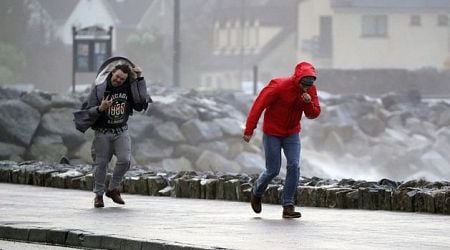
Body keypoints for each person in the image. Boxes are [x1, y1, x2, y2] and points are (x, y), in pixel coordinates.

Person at [242, 61, 321, 218]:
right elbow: (258, 105)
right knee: (273, 170)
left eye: (309, 85)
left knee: (294, 165)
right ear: (298, 79)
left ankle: (288, 206)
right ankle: (257, 191)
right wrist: (249, 129)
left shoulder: (310, 90)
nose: (306, 88)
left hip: (292, 133)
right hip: (272, 132)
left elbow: (313, 114)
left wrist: (308, 102)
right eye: (304, 84)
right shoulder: (279, 86)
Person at [81, 64, 149, 208]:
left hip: (121, 130)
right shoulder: (100, 88)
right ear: (112, 73)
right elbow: (88, 111)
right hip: (102, 132)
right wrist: (101, 108)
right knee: (101, 165)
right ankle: (98, 195)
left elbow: (140, 103)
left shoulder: (128, 87)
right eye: (117, 76)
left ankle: (113, 188)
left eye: (122, 79)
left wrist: (140, 78)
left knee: (125, 160)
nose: (119, 80)